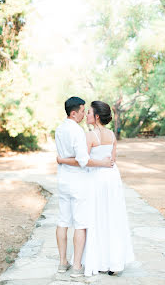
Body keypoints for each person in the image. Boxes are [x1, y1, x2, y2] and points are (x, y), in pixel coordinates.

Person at [57, 100, 134, 277]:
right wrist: (105, 164)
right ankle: (114, 261)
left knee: (96, 219)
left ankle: (98, 260)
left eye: (89, 113)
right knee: (112, 218)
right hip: (112, 177)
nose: (87, 115)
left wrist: (61, 160)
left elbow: (82, 161)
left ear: (97, 116)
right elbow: (111, 160)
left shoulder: (90, 136)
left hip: (97, 178)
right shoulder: (112, 135)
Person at [55, 97, 113, 278]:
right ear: (74, 113)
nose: (83, 114)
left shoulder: (59, 129)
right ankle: (77, 267)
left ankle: (63, 262)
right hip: (78, 183)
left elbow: (63, 155)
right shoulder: (77, 132)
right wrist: (102, 164)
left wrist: (62, 160)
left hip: (62, 180)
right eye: (82, 111)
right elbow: (83, 161)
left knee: (63, 221)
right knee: (80, 224)